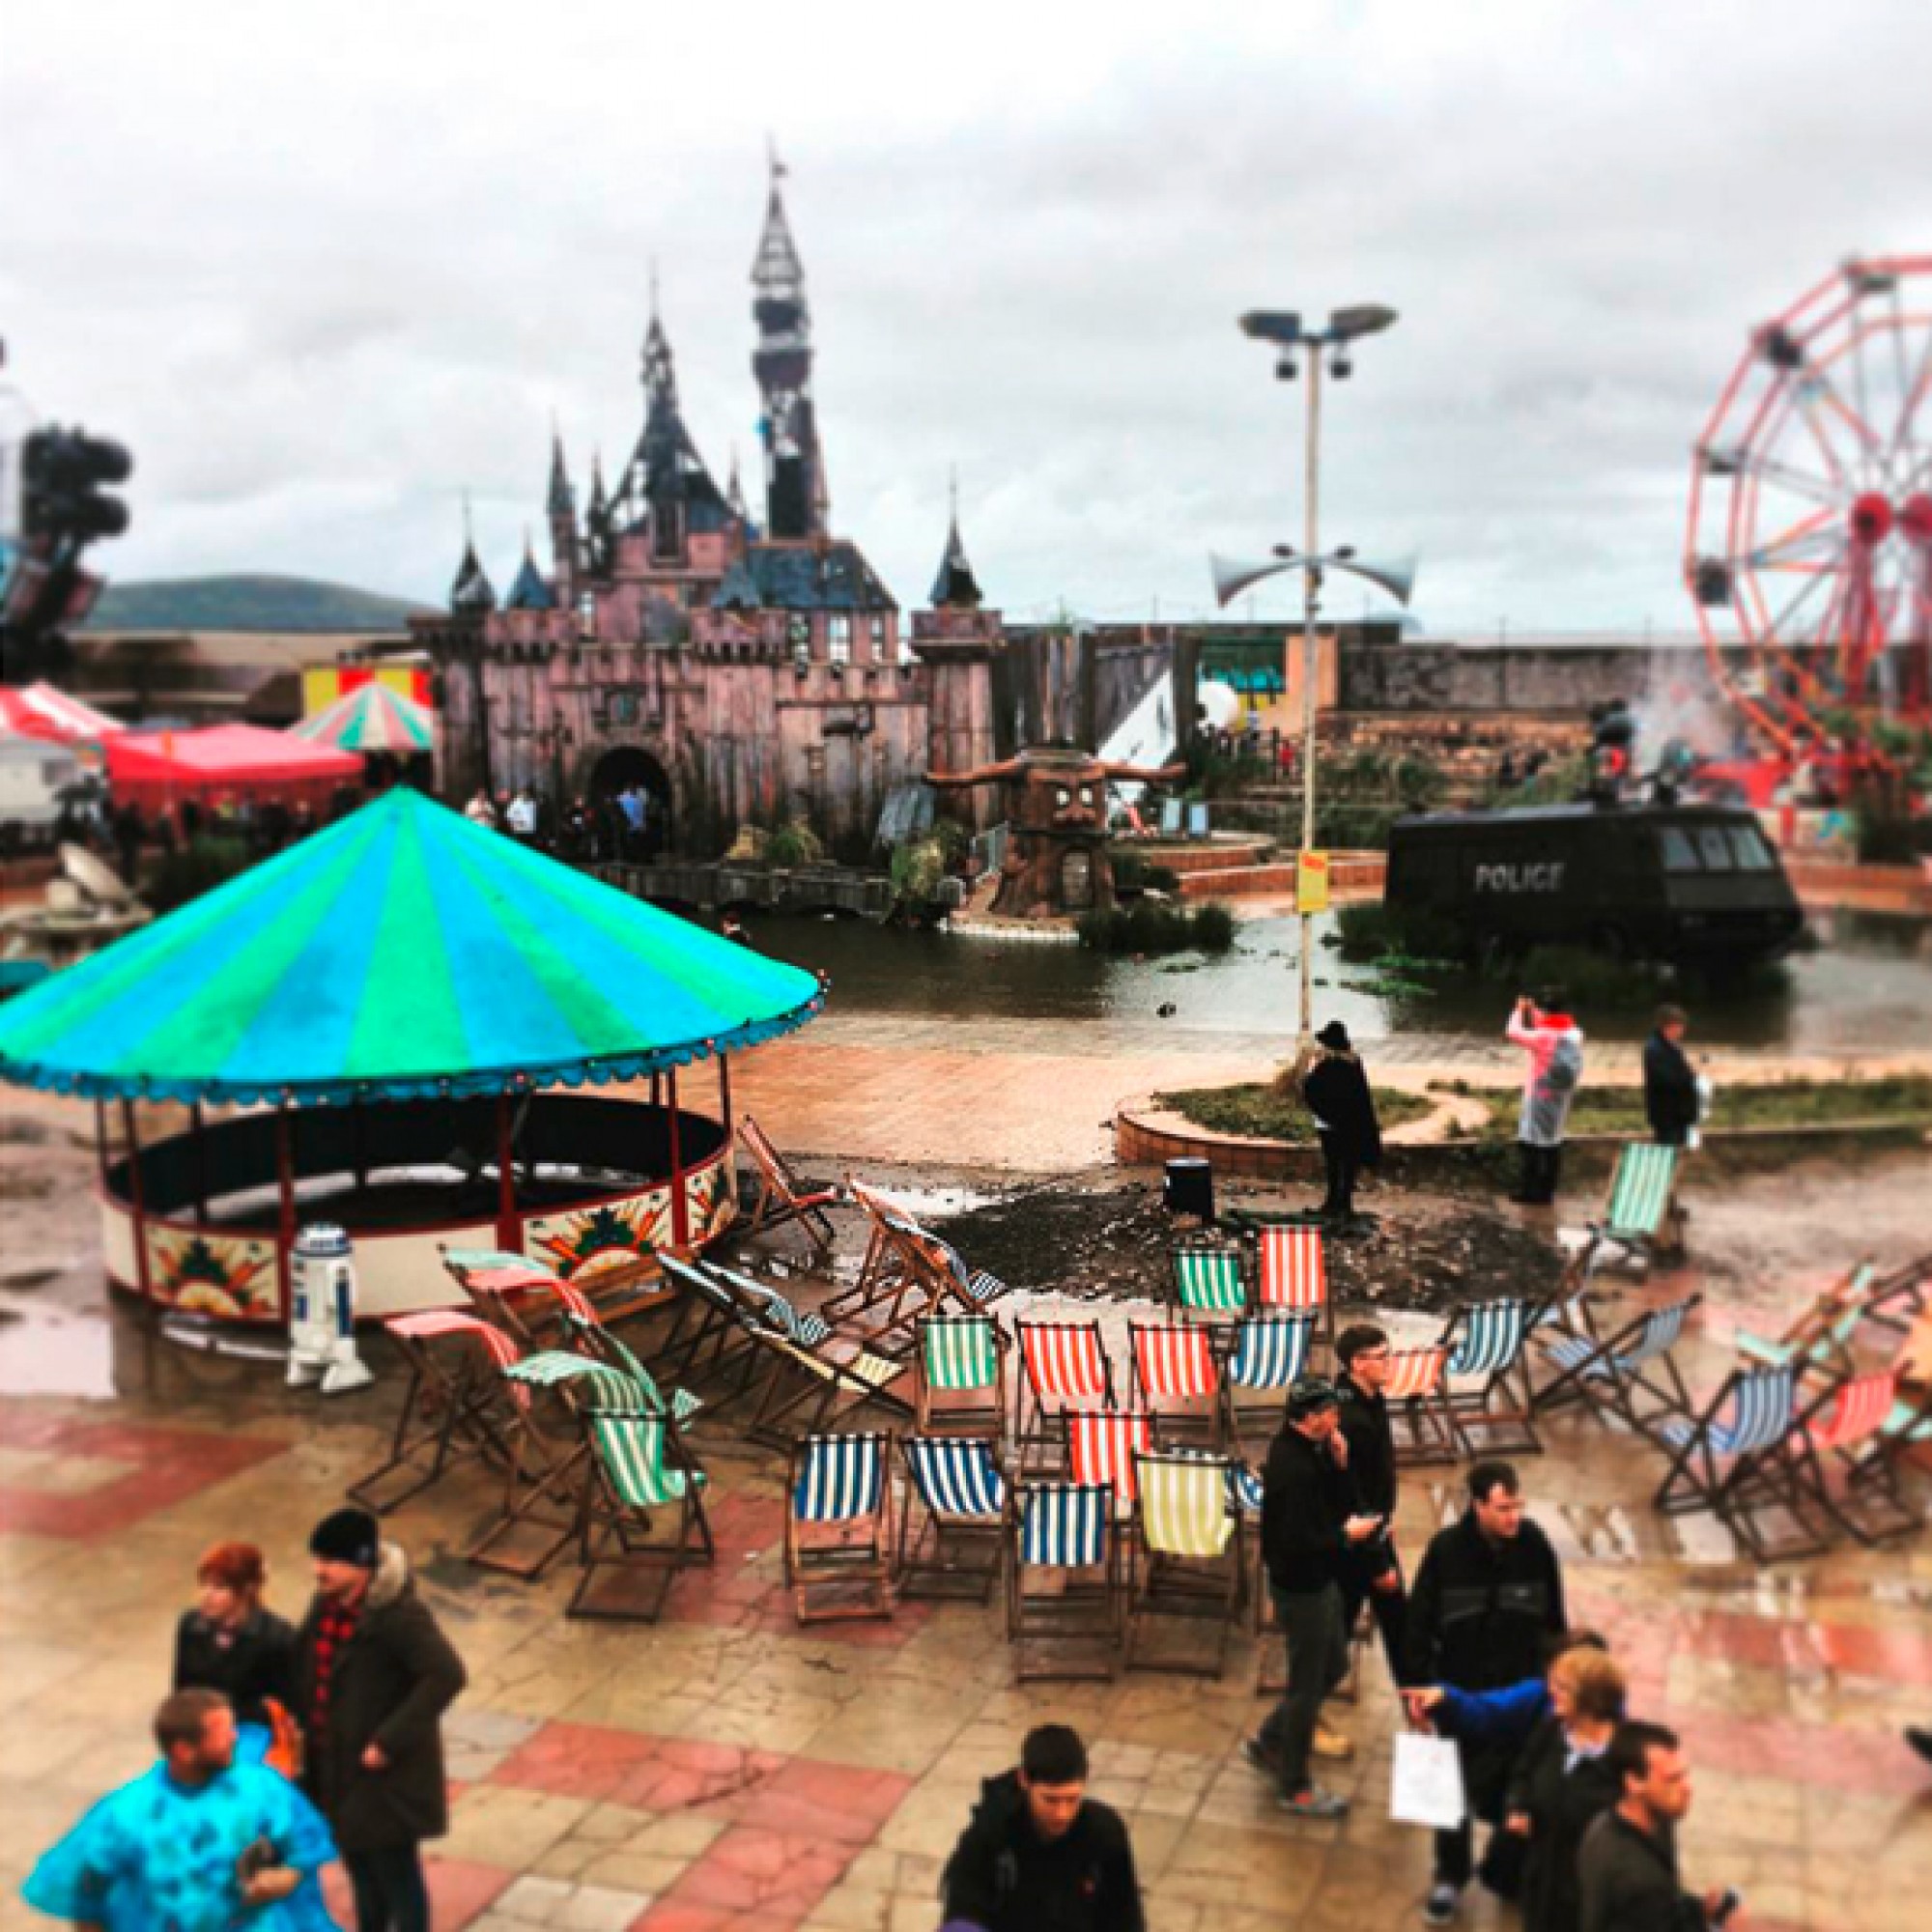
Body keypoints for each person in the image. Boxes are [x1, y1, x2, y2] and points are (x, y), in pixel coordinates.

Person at [23, 1688, 338, 1931]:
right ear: (185, 1751)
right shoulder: (128, 1813)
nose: (235, 1738)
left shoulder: (260, 1787)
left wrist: (289, 1876)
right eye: (222, 1733)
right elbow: (87, 1893)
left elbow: (305, 1840)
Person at [1406, 1461, 1569, 1925]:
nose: (1512, 1517)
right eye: (1502, 1508)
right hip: (1459, 1694)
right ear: (1477, 1505)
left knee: (1516, 1789)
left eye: (1516, 1506)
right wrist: (1419, 1693)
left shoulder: (1535, 1547)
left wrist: (1557, 1685)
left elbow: (1555, 1622)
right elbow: (1417, 1630)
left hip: (1519, 1697)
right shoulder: (1444, 1553)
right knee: (1448, 1789)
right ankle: (1450, 1876)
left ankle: (1510, 1871)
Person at [294, 1509, 466, 1932]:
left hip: (384, 1777)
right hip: (336, 1766)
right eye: (318, 1559)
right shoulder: (327, 1605)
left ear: (363, 1563)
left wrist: (388, 1741)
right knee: (362, 1875)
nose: (320, 1570)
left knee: (396, 1880)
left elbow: (446, 1674)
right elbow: (302, 1661)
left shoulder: (398, 1616)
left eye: (331, 1561)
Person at [1246, 1376, 1387, 1818]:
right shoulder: (1293, 1467)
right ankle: (1294, 1783)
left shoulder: (1312, 1451)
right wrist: (1345, 1536)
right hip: (1300, 1587)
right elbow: (1297, 1539)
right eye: (1329, 1412)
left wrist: (1342, 1464)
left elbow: (1335, 1502)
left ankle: (1271, 1737)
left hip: (1319, 1580)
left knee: (1335, 1664)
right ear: (1310, 1418)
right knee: (1306, 1686)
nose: (1336, 1418)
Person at [939, 1723, 1144, 1932]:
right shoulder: (990, 1835)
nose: (1062, 1814)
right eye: (1050, 1800)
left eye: (1072, 1799)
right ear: (1024, 1780)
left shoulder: (1104, 1833)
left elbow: (1125, 1916)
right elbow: (962, 1912)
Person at [1501, 1644, 1628, 1932]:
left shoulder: (1623, 1759)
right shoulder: (1552, 1729)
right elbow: (1524, 1771)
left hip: (1585, 1900)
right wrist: (1518, 1806)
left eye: (1563, 1687)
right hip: (1541, 1882)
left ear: (1590, 1699)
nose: (1551, 1691)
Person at [1577, 1721, 1735, 1931]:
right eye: (1672, 1779)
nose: (1687, 1788)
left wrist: (1699, 1909)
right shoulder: (1638, 1879)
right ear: (1634, 1782)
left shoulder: (1613, 1823)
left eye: (1683, 1775)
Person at [1331, 1324, 1407, 1687]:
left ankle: (1415, 1683)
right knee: (1376, 1608)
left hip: (1374, 1528)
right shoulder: (1352, 1420)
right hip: (1360, 1538)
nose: (1388, 1363)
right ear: (1357, 1363)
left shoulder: (1367, 1398)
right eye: (1381, 1357)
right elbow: (1352, 1496)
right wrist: (1378, 1560)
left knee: (1390, 1616)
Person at [174, 1541, 298, 1758]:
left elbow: (287, 1707)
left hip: (254, 1741)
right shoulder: (190, 1626)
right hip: (200, 1737)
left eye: (219, 1587)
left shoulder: (277, 1637)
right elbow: (181, 1692)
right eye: (204, 1585)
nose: (206, 1594)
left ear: (247, 1590)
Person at [1299, 1021, 1383, 1226]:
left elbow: (1309, 1087)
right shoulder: (1352, 1063)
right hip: (1350, 1123)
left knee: (1335, 1163)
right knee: (1346, 1163)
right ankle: (1342, 1203)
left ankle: (1335, 1202)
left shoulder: (1331, 1065)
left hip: (1333, 1124)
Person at [1506, 991, 1584, 1206]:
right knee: (1552, 1142)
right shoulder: (1574, 1033)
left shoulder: (1543, 1036)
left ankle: (1530, 1192)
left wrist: (1518, 1010)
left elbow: (1512, 1032)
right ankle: (1547, 1192)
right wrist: (1533, 1010)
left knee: (1532, 1141)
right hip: (1562, 1095)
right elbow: (1548, 1022)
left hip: (1540, 1092)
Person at [1643, 1006, 1700, 1148]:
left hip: (1680, 1113)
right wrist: (1690, 1078)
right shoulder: (1655, 1049)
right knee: (1668, 1151)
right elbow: (1665, 1079)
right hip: (1667, 1114)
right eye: (1679, 1026)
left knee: (1680, 1151)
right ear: (1669, 1026)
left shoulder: (1672, 1045)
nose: (1682, 1030)